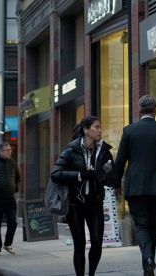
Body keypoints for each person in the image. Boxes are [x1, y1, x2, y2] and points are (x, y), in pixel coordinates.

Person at [111, 95, 156, 276]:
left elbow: (120, 161)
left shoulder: (129, 131)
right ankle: (148, 263)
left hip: (135, 187)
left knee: (141, 225)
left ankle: (148, 259)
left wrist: (116, 184)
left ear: (139, 111)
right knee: (151, 225)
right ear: (155, 111)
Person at [52, 116, 115, 276]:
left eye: (100, 127)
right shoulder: (70, 151)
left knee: (96, 243)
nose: (100, 130)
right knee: (79, 244)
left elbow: (112, 180)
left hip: (95, 203)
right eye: (97, 127)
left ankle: (91, 274)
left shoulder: (104, 151)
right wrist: (80, 175)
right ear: (86, 130)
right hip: (75, 204)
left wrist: (106, 174)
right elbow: (56, 174)